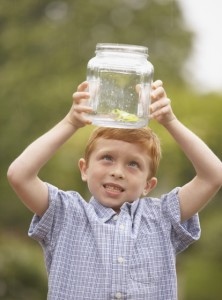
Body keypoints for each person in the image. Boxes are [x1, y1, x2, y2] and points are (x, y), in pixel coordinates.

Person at [7, 80, 222, 300]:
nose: (118, 172)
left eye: (133, 164)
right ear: (85, 169)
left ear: (148, 185)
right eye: (107, 158)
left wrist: (170, 121)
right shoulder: (65, 213)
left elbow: (213, 175)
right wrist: (70, 122)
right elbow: (19, 175)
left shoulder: (162, 216)